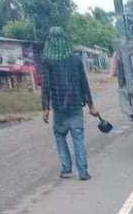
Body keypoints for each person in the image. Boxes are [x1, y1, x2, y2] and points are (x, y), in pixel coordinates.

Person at [40, 26, 99, 181]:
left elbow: (45, 86)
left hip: (59, 107)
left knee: (60, 134)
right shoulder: (75, 59)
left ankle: (66, 168)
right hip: (75, 105)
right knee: (78, 136)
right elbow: (84, 84)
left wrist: (45, 109)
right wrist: (91, 106)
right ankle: (83, 172)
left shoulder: (47, 61)